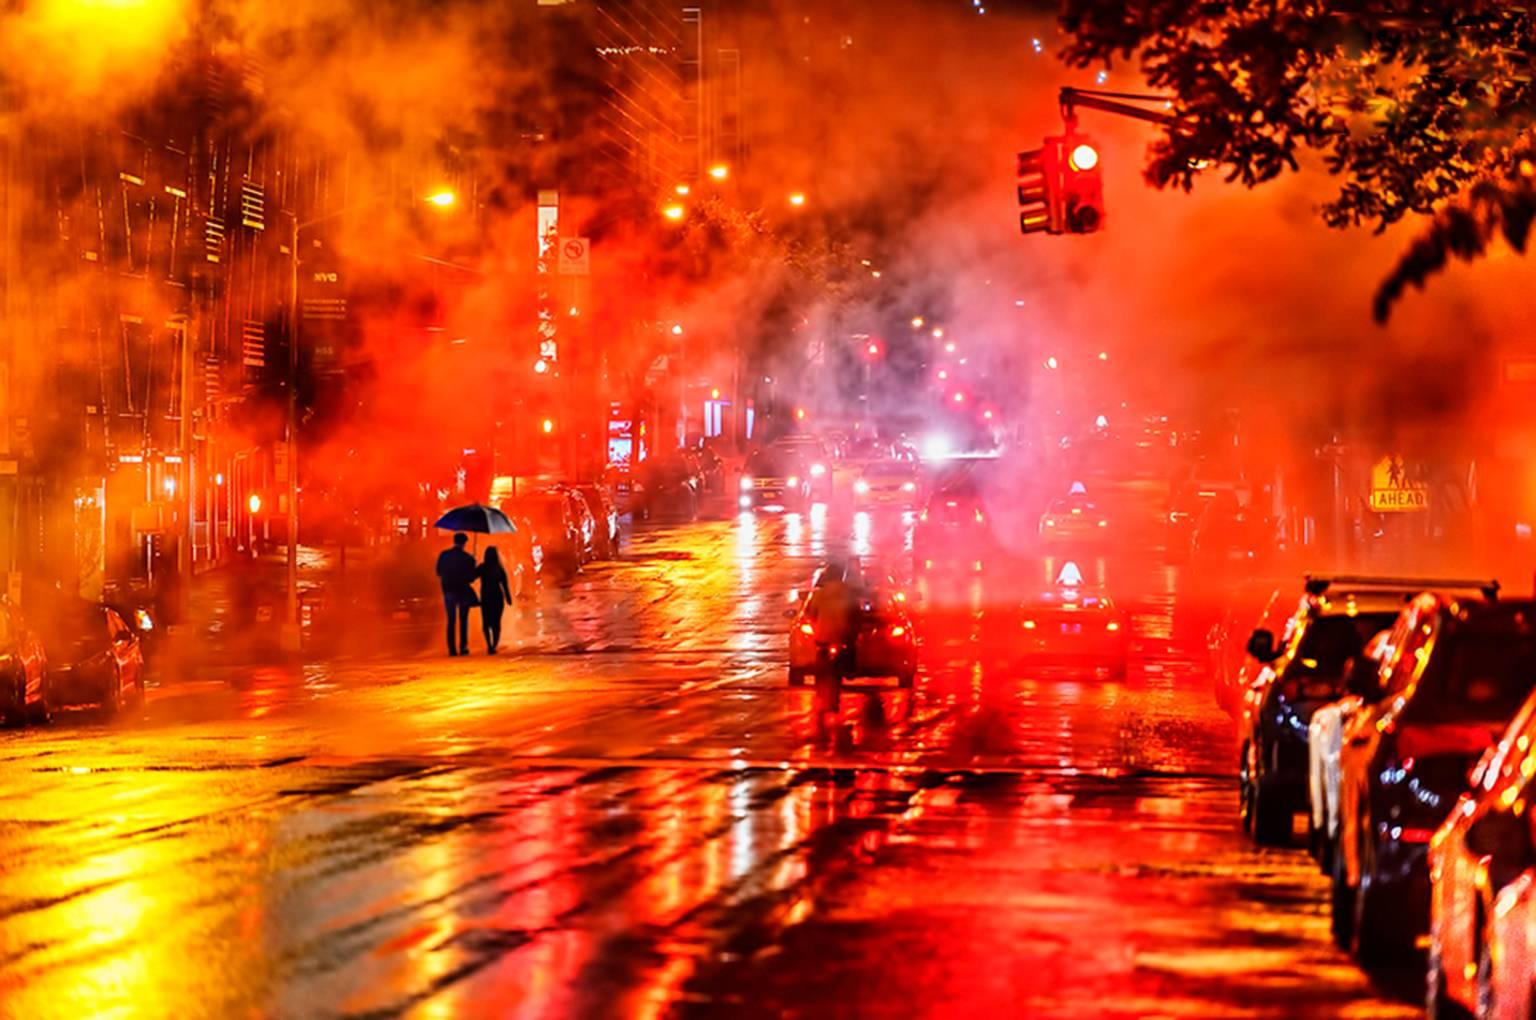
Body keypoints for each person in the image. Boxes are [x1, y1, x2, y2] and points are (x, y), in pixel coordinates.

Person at [434, 532, 478, 656]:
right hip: (463, 591)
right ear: (464, 543)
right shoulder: (468, 558)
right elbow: (471, 578)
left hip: (448, 590)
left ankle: (451, 648)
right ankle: (463, 646)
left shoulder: (444, 555)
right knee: (463, 620)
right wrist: (473, 564)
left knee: (451, 620)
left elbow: (438, 572)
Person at [476, 546, 513, 654]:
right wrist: (508, 598)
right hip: (497, 597)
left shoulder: (482, 567)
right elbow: (505, 585)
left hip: (486, 597)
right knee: (496, 622)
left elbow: (471, 577)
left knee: (486, 622)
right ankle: (494, 645)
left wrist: (472, 565)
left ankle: (489, 645)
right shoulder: (499, 569)